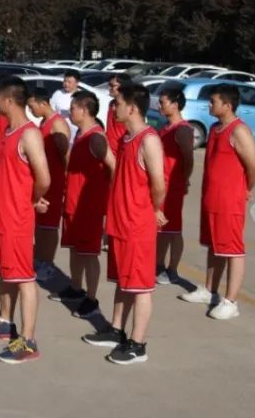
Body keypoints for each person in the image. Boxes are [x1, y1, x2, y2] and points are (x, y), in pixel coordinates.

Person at [83, 82, 165, 365]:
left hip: (136, 224)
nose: (113, 107)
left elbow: (158, 184)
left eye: (117, 103)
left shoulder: (148, 140)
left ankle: (138, 344)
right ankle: (116, 330)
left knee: (140, 286)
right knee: (123, 281)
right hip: (120, 222)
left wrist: (153, 209)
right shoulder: (126, 139)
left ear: (132, 108)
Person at [0, 77, 50, 365]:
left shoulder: (29, 134)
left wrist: (32, 198)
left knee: (24, 278)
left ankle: (28, 341)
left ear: (7, 100)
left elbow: (44, 177)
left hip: (16, 220)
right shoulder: (7, 131)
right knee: (7, 274)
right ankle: (5, 323)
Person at [178, 84, 255, 320]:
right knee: (214, 246)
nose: (209, 105)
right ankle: (209, 290)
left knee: (233, 250)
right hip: (211, 198)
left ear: (228, 105)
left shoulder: (239, 131)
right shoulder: (215, 128)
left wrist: (244, 189)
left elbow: (253, 167)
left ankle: (231, 302)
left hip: (229, 201)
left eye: (213, 101)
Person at [52, 91, 114, 320]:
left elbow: (114, 167)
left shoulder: (96, 138)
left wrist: (106, 198)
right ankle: (76, 288)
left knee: (89, 254)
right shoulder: (81, 134)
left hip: (88, 207)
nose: (70, 112)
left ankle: (91, 298)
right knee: (75, 249)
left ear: (85, 110)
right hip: (73, 204)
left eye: (73, 108)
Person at [27, 87, 69, 282]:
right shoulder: (44, 122)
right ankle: (40, 259)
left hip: (54, 181)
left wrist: (66, 180)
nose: (31, 110)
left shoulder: (57, 124)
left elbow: (65, 155)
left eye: (32, 106)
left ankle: (48, 263)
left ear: (43, 103)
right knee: (40, 224)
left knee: (50, 226)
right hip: (44, 180)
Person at [156, 88, 194, 285]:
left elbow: (188, 158)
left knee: (173, 229)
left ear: (175, 105)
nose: (159, 106)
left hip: (173, 187)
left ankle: (173, 269)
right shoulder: (165, 127)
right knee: (161, 228)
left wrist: (183, 179)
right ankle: (159, 264)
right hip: (161, 185)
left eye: (163, 102)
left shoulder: (182, 130)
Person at [50, 69, 82, 140]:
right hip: (60, 132)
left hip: (76, 133)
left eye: (69, 82)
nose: (66, 84)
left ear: (77, 83)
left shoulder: (82, 96)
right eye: (65, 81)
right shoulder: (57, 94)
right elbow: (51, 112)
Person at [105, 74, 130, 154]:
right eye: (109, 85)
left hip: (121, 151)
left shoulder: (129, 106)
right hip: (109, 150)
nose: (110, 88)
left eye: (113, 86)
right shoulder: (111, 103)